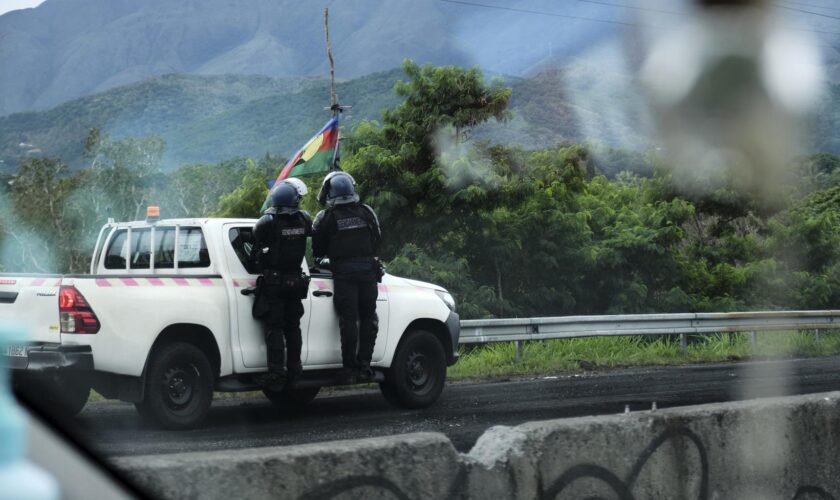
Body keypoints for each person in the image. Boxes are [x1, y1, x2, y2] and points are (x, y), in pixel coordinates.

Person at [312, 172, 382, 382]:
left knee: (349, 320)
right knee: (369, 318)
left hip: (343, 273)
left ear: (329, 192)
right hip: (368, 271)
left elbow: (317, 251)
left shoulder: (325, 217)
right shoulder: (367, 212)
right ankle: (365, 366)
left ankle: (349, 369)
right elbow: (377, 240)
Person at [251, 180, 312, 387]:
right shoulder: (304, 219)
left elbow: (255, 251)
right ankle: (295, 369)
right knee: (293, 328)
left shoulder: (266, 222)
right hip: (295, 282)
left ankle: (276, 372)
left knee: (274, 328)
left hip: (274, 284)